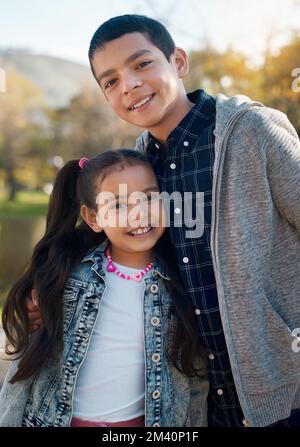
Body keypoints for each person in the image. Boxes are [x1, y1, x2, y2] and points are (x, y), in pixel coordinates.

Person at [27, 14, 300, 427]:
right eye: (111, 81)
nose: (129, 85)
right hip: (197, 400)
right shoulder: (140, 163)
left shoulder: (251, 131)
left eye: (141, 64)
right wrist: (49, 288)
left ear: (178, 61)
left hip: (282, 391)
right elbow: (118, 240)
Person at [0, 149, 208, 427]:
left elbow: (192, 380)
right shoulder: (66, 278)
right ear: (93, 218)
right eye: (119, 205)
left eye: (149, 197)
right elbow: (25, 366)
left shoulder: (181, 285)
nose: (139, 214)